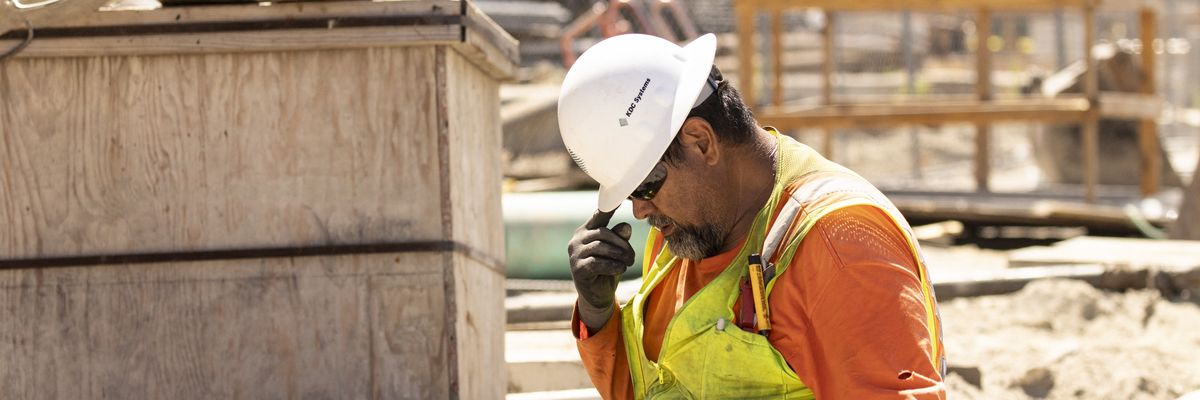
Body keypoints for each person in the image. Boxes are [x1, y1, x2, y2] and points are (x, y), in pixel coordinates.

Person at [558, 33, 946, 399]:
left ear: (700, 142)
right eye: (629, 195)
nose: (640, 210)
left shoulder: (839, 244)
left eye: (644, 187)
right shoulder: (685, 234)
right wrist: (598, 315)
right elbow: (656, 388)